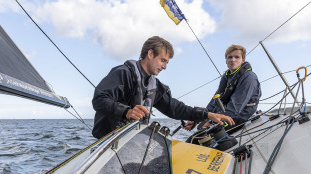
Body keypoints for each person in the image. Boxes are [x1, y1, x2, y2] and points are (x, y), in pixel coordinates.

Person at [91, 36, 234, 139]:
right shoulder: (123, 73)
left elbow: (175, 108)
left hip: (131, 140)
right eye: (163, 60)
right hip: (108, 142)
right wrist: (127, 112)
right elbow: (99, 99)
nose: (165, 67)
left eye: (167, 63)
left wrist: (207, 114)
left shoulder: (155, 86)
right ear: (150, 54)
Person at [184, 44, 261, 131]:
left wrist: (212, 122)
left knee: (203, 137)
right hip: (226, 114)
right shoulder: (227, 76)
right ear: (226, 60)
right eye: (230, 57)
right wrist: (198, 119)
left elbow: (236, 106)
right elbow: (215, 101)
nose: (233, 60)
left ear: (243, 60)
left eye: (237, 57)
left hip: (241, 117)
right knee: (198, 135)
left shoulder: (249, 77)